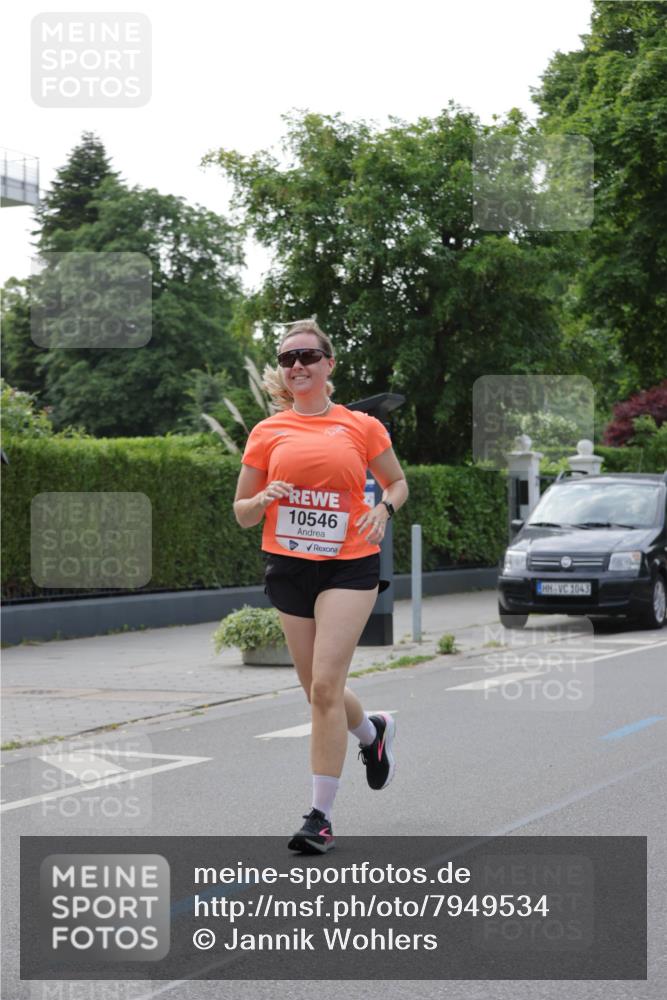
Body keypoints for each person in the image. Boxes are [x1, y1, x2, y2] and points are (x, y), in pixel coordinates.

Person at [232, 318, 409, 853]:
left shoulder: (361, 426)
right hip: (288, 566)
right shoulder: (267, 433)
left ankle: (319, 817)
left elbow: (398, 482)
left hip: (348, 565)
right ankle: (372, 734)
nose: (297, 366)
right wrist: (263, 501)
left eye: (307, 356)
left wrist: (383, 508)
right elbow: (241, 512)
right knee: (314, 691)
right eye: (287, 359)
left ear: (329, 364)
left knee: (327, 689)